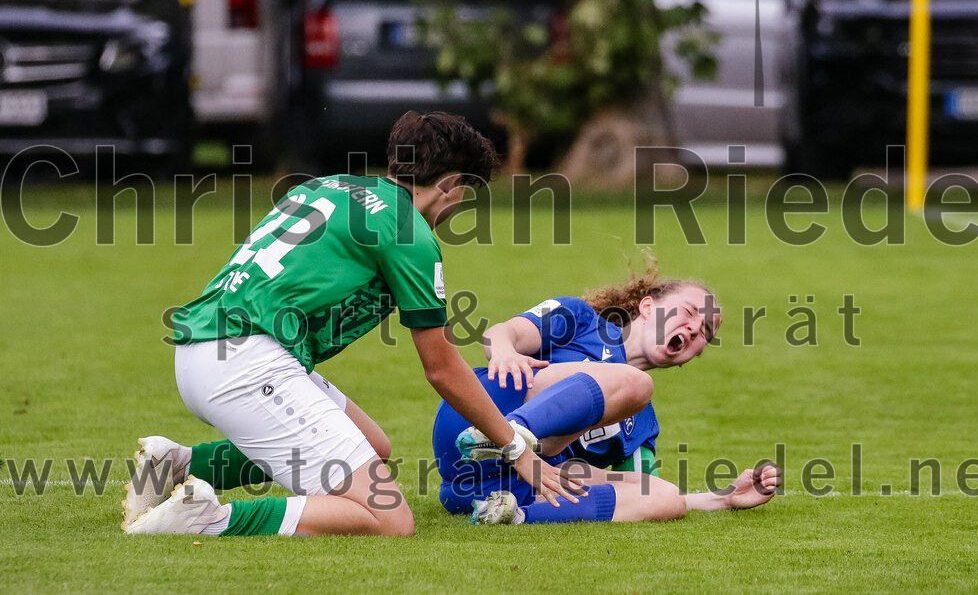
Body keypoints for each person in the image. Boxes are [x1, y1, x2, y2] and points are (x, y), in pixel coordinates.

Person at [122, 111, 582, 538]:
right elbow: (442, 368)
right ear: (450, 183)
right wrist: (516, 449)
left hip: (203, 348)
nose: (461, 205)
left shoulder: (329, 185)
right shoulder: (407, 230)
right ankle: (210, 518)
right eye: (466, 191)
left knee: (372, 444)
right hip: (246, 364)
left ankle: (175, 466)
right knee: (390, 518)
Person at [432, 269, 779, 524]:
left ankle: (512, 514)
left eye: (704, 333)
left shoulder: (642, 423)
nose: (693, 328)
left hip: (488, 485)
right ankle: (511, 433)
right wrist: (504, 351)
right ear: (648, 306)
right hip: (476, 415)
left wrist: (725, 498)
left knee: (665, 497)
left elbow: (639, 492)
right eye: (689, 312)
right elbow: (501, 333)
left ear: (692, 356)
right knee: (636, 383)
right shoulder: (581, 319)